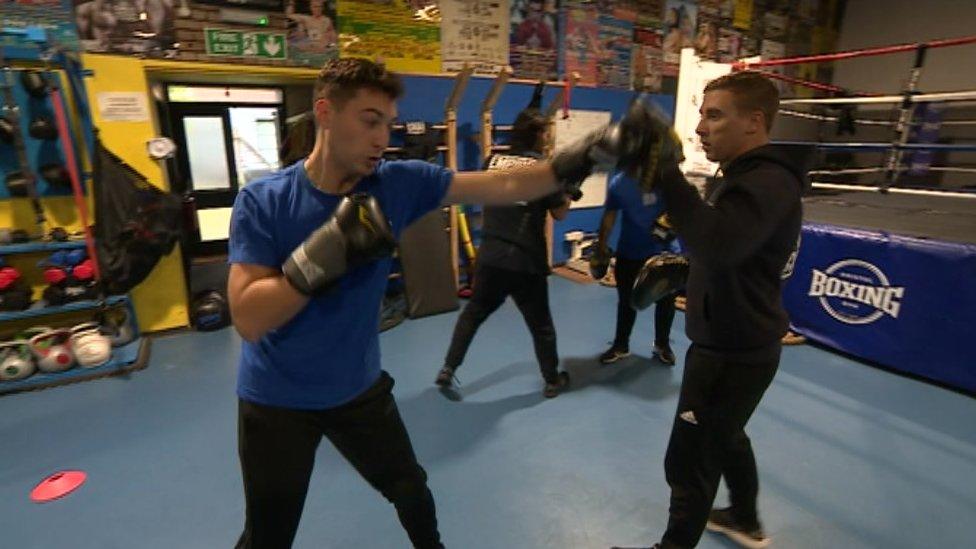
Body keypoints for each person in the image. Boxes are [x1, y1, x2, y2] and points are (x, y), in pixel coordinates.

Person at [227, 58, 652, 548]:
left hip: (356, 390)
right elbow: (250, 318)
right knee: (268, 535)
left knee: (412, 492)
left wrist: (588, 155)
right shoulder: (264, 200)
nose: (381, 138)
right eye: (369, 121)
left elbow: (508, 184)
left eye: (387, 124)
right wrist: (325, 255)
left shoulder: (395, 182)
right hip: (276, 400)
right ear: (325, 113)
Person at [620, 71, 808, 549]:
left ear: (754, 122)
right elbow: (737, 249)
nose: (701, 127)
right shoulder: (745, 177)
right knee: (727, 436)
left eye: (714, 115)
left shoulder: (765, 182)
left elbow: (721, 245)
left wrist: (665, 172)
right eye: (702, 115)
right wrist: (687, 269)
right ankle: (745, 517)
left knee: (689, 462)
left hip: (732, 352)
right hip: (739, 340)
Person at [435, 108, 572, 398]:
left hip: (491, 257)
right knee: (541, 326)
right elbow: (559, 213)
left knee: (472, 315)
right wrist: (567, 188)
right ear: (536, 135)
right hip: (526, 261)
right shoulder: (543, 170)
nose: (548, 139)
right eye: (545, 133)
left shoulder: (492, 160)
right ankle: (551, 380)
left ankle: (448, 368)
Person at [595, 172, 678, 366]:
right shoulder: (620, 182)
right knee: (626, 301)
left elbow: (682, 209)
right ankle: (621, 345)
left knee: (666, 301)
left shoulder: (667, 179)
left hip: (663, 252)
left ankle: (662, 345)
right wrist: (600, 248)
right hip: (630, 252)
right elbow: (609, 216)